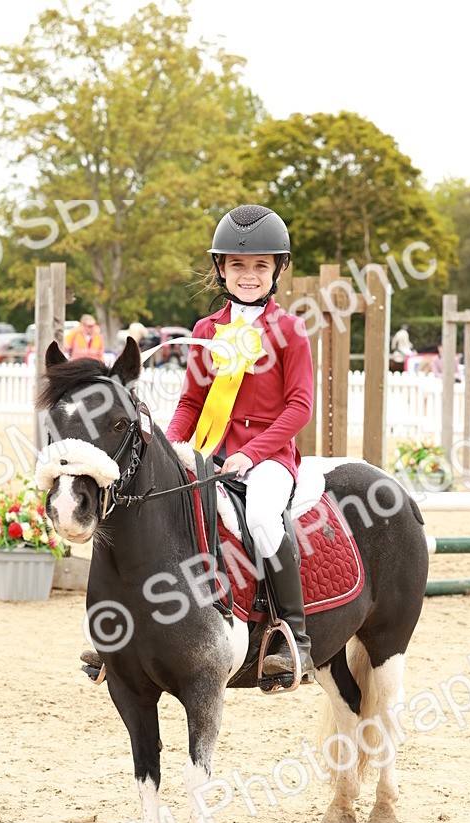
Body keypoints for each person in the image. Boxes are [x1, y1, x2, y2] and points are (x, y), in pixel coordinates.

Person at [165, 204, 315, 682]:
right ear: (221, 269)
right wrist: (170, 450)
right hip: (214, 452)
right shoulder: (206, 332)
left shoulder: (289, 330)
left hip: (270, 459)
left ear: (277, 270)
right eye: (237, 265)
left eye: (259, 266)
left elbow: (299, 407)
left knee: (261, 516)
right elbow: (191, 403)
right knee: (163, 511)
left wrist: (252, 453)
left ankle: (294, 636)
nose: (248, 275)